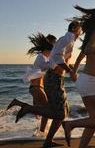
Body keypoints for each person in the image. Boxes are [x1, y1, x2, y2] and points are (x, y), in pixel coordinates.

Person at [7, 20, 82, 148]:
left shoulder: (68, 40)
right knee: (59, 113)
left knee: (64, 111)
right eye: (80, 29)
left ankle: (47, 140)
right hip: (52, 80)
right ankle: (29, 109)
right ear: (75, 28)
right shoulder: (68, 38)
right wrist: (70, 71)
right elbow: (57, 58)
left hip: (55, 79)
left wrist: (72, 69)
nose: (81, 32)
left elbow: (59, 59)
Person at [62, 5, 95, 148]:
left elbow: (83, 53)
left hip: (86, 81)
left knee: (94, 119)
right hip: (90, 82)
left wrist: (74, 71)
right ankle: (70, 124)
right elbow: (87, 50)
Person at [21, 33, 56, 136]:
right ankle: (41, 131)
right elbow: (51, 66)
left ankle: (41, 131)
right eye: (52, 49)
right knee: (48, 110)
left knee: (45, 111)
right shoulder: (41, 58)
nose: (52, 52)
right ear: (48, 49)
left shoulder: (43, 58)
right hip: (36, 88)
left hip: (37, 88)